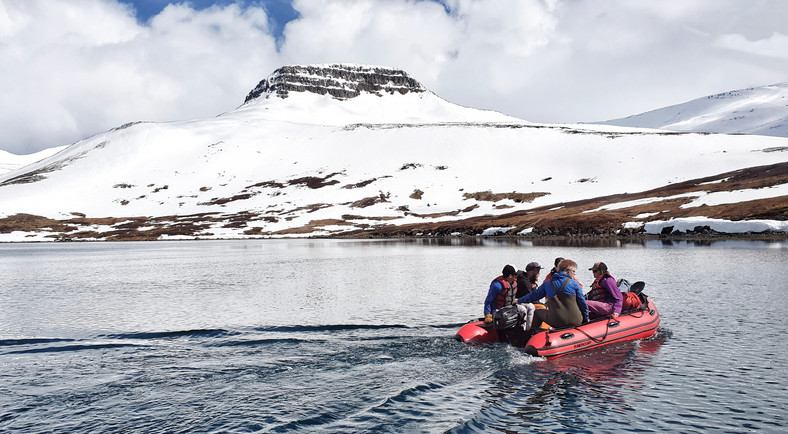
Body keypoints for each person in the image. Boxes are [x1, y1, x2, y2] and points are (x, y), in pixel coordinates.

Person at [514, 259, 589, 329]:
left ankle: (532, 335)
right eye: (573, 271)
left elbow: (533, 296)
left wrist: (519, 301)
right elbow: (582, 303)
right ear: (566, 271)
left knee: (536, 312)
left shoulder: (548, 283)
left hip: (556, 321)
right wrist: (586, 320)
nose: (574, 274)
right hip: (576, 320)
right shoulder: (575, 283)